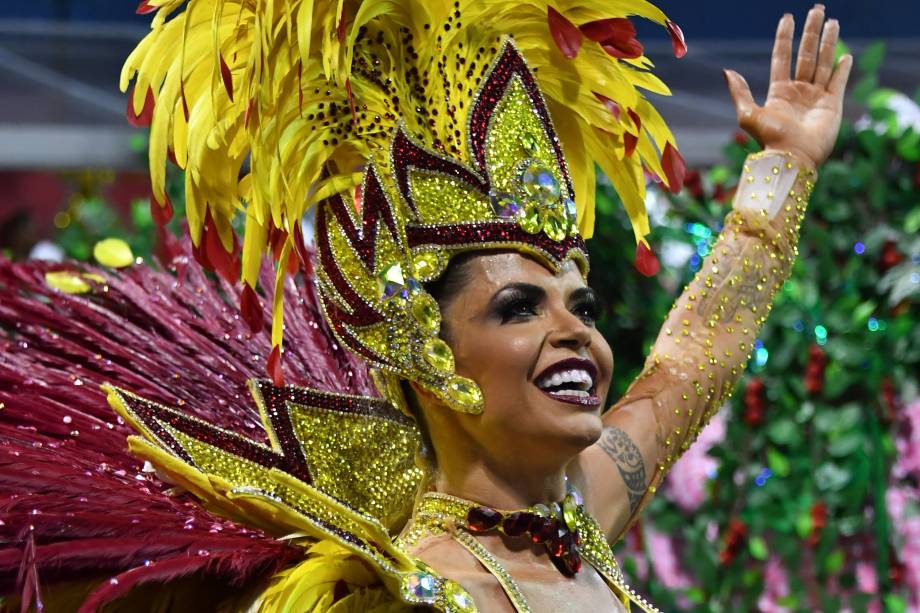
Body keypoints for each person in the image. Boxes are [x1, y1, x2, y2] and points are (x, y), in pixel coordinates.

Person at [0, 1, 850, 611]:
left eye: (580, 304)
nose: (577, 335)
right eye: (520, 309)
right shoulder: (409, 591)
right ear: (429, 351)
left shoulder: (583, 508)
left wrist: (785, 163)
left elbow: (695, 353)